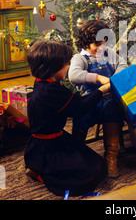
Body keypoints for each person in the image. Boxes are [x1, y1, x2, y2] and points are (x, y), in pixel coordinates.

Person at [24, 40, 109, 197]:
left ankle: (36, 166)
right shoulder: (51, 90)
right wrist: (101, 91)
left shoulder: (43, 82)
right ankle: (42, 172)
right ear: (52, 67)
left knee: (95, 162)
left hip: (44, 142)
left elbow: (71, 102)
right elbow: (79, 109)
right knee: (94, 171)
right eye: (65, 64)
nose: (68, 66)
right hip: (49, 148)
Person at [68, 20, 127, 177]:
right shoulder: (79, 58)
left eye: (104, 44)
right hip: (90, 100)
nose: (102, 48)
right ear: (86, 43)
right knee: (81, 115)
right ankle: (76, 152)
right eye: (98, 45)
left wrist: (115, 77)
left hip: (110, 100)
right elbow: (73, 76)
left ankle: (111, 157)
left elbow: (122, 65)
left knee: (112, 108)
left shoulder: (109, 54)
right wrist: (99, 78)